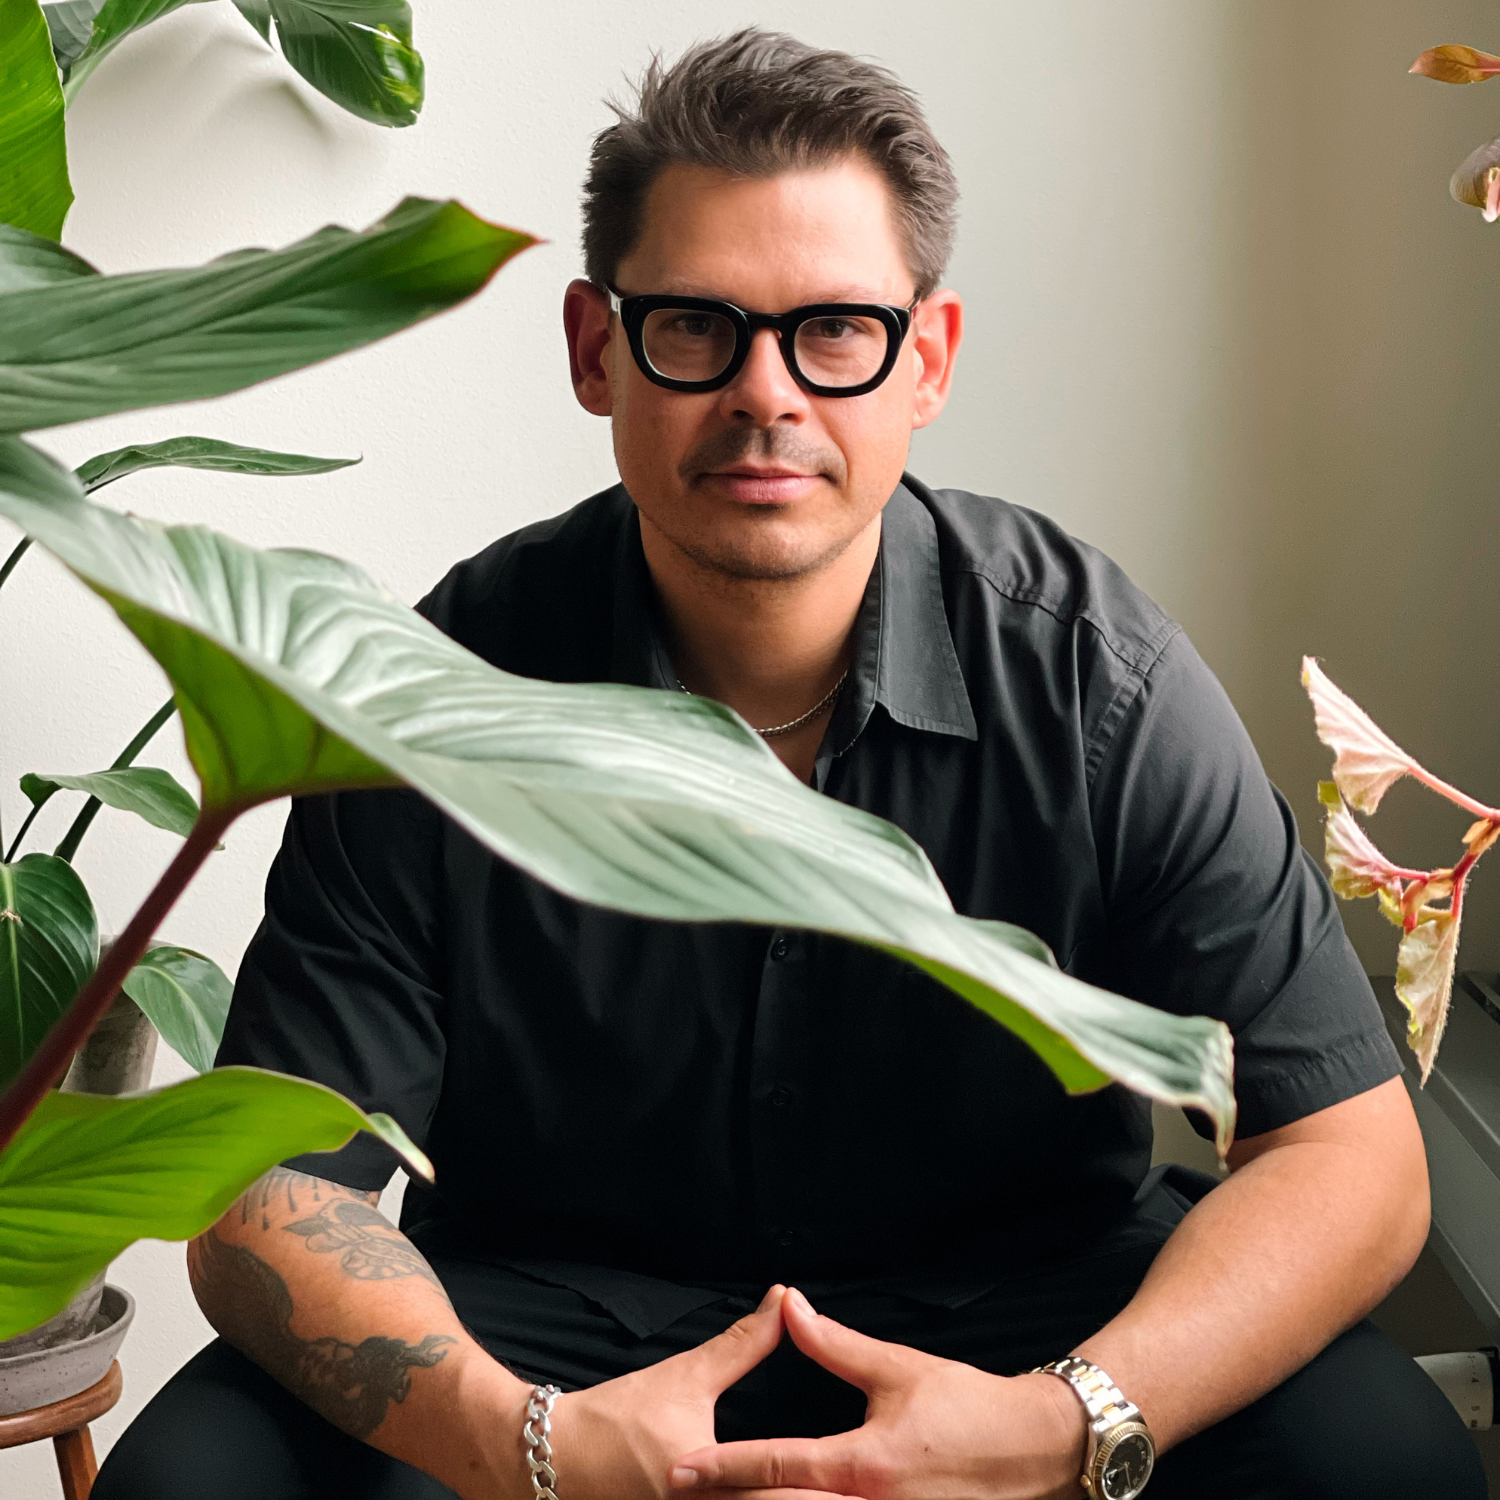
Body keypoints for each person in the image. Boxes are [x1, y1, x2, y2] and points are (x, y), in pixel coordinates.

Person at [95, 28, 1481, 1500]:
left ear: (925, 359)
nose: (768, 394)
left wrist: (1072, 1421)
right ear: (594, 346)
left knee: (1383, 1465)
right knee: (195, 1479)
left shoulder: (1095, 677)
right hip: (544, 1336)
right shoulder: (440, 690)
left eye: (834, 330)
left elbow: (1352, 1159)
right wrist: (532, 1448)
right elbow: (269, 1202)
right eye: (696, 326)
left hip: (1027, 1316)